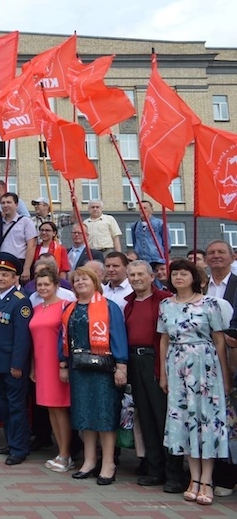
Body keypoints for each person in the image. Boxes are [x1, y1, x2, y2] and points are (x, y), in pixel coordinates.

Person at [159, 259, 230, 505]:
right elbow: (164, 340)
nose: (179, 277)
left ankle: (207, 480)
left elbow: (219, 340)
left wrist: (224, 375)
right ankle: (194, 478)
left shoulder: (210, 304)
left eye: (184, 273)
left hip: (206, 367)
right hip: (177, 367)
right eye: (175, 273)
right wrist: (164, 373)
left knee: (207, 421)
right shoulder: (166, 305)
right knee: (185, 420)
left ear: (195, 277)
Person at [60, 266, 128, 486]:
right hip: (79, 369)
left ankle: (108, 463)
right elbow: (64, 337)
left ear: (95, 282)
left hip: (103, 370)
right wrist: (62, 363)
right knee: (85, 415)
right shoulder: (70, 308)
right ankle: (89, 461)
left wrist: (121, 366)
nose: (80, 282)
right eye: (76, 279)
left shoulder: (109, 307)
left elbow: (118, 335)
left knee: (104, 415)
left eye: (85, 279)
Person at [123, 260, 185, 492]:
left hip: (156, 361)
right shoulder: (128, 303)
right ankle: (154, 468)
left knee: (164, 418)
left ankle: (175, 473)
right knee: (146, 417)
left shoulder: (164, 300)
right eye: (132, 274)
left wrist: (164, 372)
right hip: (134, 361)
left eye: (140, 274)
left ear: (151, 276)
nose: (136, 278)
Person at [0, 253, 33, 466]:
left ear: (15, 278)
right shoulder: (0, 298)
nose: (0, 278)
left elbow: (22, 338)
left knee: (15, 407)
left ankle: (19, 448)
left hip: (12, 366)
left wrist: (17, 364)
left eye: (5, 275)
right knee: (5, 406)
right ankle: (10, 441)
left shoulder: (20, 302)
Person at [28, 267, 73, 472]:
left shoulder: (66, 306)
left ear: (56, 285)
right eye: (40, 285)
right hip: (41, 365)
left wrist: (64, 365)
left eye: (47, 284)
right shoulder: (37, 308)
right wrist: (33, 367)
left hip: (57, 365)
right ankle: (60, 452)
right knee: (50, 409)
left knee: (61, 409)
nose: (43, 288)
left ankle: (66, 454)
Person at [0, 193, 38, 283]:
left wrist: (26, 268)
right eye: (3, 203)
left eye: (9, 202)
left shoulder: (25, 222)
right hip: (2, 263)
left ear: (16, 204)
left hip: (19, 263)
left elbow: (31, 245)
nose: (5, 205)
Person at [132, 200, 167, 265]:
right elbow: (134, 242)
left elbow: (167, 243)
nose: (142, 210)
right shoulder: (135, 225)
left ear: (151, 210)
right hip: (140, 260)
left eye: (145, 208)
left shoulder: (160, 224)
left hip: (156, 259)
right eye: (140, 208)